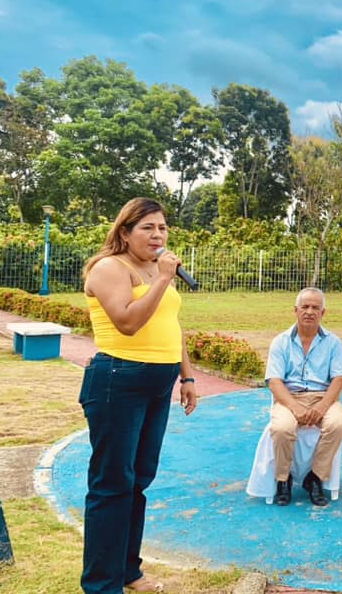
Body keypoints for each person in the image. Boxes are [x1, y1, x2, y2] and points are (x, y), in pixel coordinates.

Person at [79, 198, 197, 594]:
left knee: (138, 480)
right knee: (112, 483)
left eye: (162, 227)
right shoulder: (109, 268)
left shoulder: (156, 269)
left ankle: (128, 571)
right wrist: (163, 279)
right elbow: (128, 322)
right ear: (125, 232)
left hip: (158, 385)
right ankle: (102, 584)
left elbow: (172, 324)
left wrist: (187, 376)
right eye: (148, 227)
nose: (158, 234)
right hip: (118, 381)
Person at [264, 287, 342, 506]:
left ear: (323, 312)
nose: (310, 312)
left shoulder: (333, 342)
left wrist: (322, 407)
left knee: (338, 425)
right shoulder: (280, 342)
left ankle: (316, 478)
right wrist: (295, 407)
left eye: (315, 307)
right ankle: (283, 479)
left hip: (323, 397)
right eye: (305, 307)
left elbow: (338, 379)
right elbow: (274, 381)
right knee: (282, 428)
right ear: (296, 310)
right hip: (289, 397)